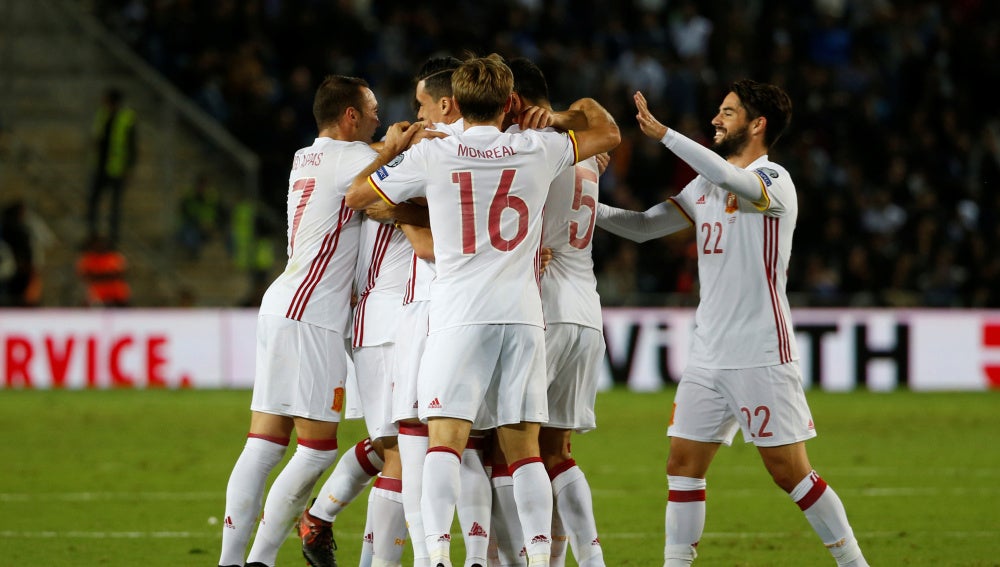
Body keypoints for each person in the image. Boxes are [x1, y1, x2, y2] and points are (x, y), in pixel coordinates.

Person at [345, 54, 620, 567]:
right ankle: (539, 556)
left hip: (459, 316)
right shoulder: (539, 147)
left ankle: (438, 555)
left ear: (455, 101)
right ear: (509, 102)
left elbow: (358, 195)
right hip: (522, 316)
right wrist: (559, 117)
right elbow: (607, 131)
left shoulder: (435, 151)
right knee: (525, 448)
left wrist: (395, 153)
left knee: (446, 442)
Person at [594, 82, 870, 566]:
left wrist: (666, 135)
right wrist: (581, 206)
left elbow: (730, 177)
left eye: (727, 112)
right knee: (682, 465)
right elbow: (644, 227)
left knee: (789, 472)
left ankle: (854, 563)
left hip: (760, 351)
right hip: (708, 355)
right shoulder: (704, 185)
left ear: (757, 124)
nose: (716, 120)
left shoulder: (774, 180)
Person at [217, 74, 379, 567]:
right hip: (313, 314)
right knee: (317, 451)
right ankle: (261, 560)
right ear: (350, 115)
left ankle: (231, 561)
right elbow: (397, 160)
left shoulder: (305, 156)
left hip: (283, 304)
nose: (378, 118)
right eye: (372, 110)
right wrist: (407, 139)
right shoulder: (351, 157)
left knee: (263, 445)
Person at [502, 56, 607, 567]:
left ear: (514, 102)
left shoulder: (532, 148)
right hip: (586, 310)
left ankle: (514, 559)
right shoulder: (585, 152)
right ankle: (588, 560)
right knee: (557, 453)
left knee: (506, 448)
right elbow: (597, 122)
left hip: (541, 307)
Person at [86, 87, 137, 247]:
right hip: (101, 166)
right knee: (93, 201)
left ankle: (113, 238)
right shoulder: (102, 114)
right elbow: (97, 135)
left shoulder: (127, 118)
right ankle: (93, 233)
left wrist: (129, 168)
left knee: (115, 206)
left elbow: (132, 146)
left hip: (117, 169)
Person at [76, 233, 131, 307]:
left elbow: (120, 273)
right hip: (97, 291)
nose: (100, 246)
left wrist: (99, 275)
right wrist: (105, 275)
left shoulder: (113, 257)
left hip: (116, 291)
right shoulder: (88, 259)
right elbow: (86, 275)